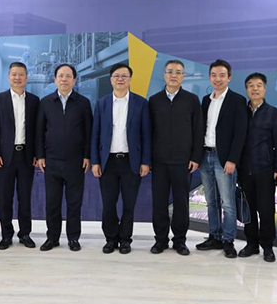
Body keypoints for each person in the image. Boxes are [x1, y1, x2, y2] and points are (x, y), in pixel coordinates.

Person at [91, 63, 151, 254]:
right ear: (111, 80)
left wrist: (145, 161)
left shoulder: (141, 103)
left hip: (131, 161)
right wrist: (95, 161)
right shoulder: (102, 103)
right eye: (116, 76)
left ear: (130, 80)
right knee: (108, 204)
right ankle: (110, 239)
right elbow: (95, 134)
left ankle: (125, 239)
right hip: (107, 162)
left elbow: (146, 135)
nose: (120, 79)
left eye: (124, 76)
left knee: (129, 204)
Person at [148, 59, 203, 256]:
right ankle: (160, 240)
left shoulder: (192, 100)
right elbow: (148, 131)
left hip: (183, 162)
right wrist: (148, 159)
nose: (174, 75)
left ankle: (180, 241)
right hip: (159, 162)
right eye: (170, 71)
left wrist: (196, 157)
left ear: (183, 76)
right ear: (164, 75)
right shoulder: (154, 100)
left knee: (181, 203)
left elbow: (198, 130)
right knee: (159, 203)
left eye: (178, 72)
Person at [35, 64, 92, 252]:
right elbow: (39, 132)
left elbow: (88, 132)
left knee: (74, 203)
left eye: (68, 76)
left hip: (76, 162)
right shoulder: (46, 102)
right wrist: (40, 156)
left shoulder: (83, 103)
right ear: (55, 79)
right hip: (52, 161)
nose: (64, 79)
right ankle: (52, 238)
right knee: (52, 203)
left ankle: (73, 238)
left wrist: (87, 156)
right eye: (60, 76)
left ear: (74, 80)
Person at [195, 59, 248, 258]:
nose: (218, 79)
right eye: (214, 75)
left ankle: (228, 240)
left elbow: (240, 133)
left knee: (227, 202)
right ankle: (214, 236)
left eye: (222, 75)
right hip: (205, 155)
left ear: (229, 78)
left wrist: (232, 159)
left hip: (224, 158)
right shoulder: (206, 100)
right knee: (211, 201)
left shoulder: (237, 100)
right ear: (209, 77)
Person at [0, 62, 39, 250]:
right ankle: (6, 235)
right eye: (14, 74)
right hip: (5, 158)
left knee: (25, 198)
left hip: (26, 156)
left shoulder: (34, 100)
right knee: (5, 198)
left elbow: (37, 131)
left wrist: (37, 154)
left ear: (26, 77)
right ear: (9, 77)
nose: (17, 78)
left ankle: (25, 234)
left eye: (21, 74)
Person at [238, 72, 277, 262]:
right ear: (246, 89)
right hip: (244, 170)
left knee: (266, 211)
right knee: (248, 210)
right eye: (251, 85)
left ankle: (268, 246)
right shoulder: (241, 112)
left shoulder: (274, 113)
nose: (255, 89)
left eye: (258, 85)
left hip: (265, 169)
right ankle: (251, 244)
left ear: (265, 89)